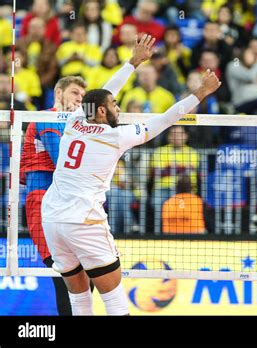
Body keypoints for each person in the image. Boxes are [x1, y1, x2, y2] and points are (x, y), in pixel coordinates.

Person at [40, 60, 220, 315]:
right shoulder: (115, 136)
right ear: (102, 111)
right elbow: (166, 119)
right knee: (113, 297)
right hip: (83, 220)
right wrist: (200, 93)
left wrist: (132, 63)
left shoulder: (74, 120)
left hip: (52, 218)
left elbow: (102, 92)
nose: (119, 108)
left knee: (78, 296)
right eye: (114, 105)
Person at [20, 34, 156, 315]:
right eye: (75, 94)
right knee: (67, 281)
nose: (81, 100)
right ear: (59, 94)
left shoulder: (78, 123)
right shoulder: (49, 119)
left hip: (71, 207)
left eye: (84, 96)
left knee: (83, 282)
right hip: (45, 204)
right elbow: (66, 164)